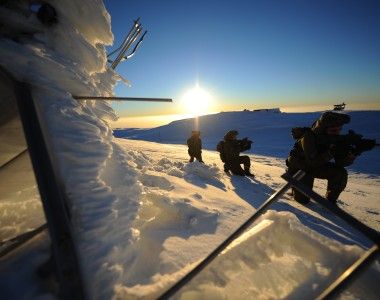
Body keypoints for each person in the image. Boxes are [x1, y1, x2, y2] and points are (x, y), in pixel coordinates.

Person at [286, 111, 354, 204]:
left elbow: (340, 163)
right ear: (323, 129)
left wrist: (351, 156)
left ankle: (330, 200)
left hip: (315, 166)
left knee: (340, 173)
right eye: (333, 130)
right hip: (300, 169)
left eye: (339, 129)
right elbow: (312, 162)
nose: (337, 133)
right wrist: (331, 152)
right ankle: (295, 189)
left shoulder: (333, 139)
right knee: (303, 200)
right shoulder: (308, 137)